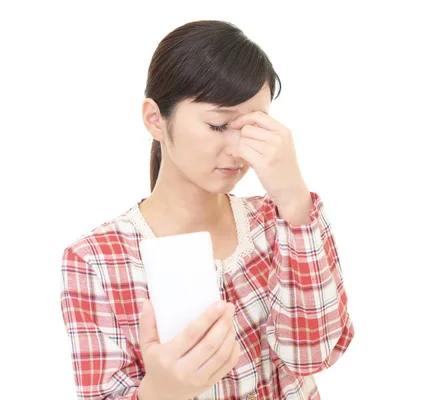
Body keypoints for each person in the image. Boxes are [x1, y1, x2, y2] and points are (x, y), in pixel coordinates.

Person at [59, 20, 354, 400]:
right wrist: (163, 390)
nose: (238, 149)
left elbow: (314, 356)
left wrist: (294, 200)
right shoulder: (96, 260)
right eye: (218, 125)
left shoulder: (278, 221)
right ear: (155, 119)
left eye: (253, 126)